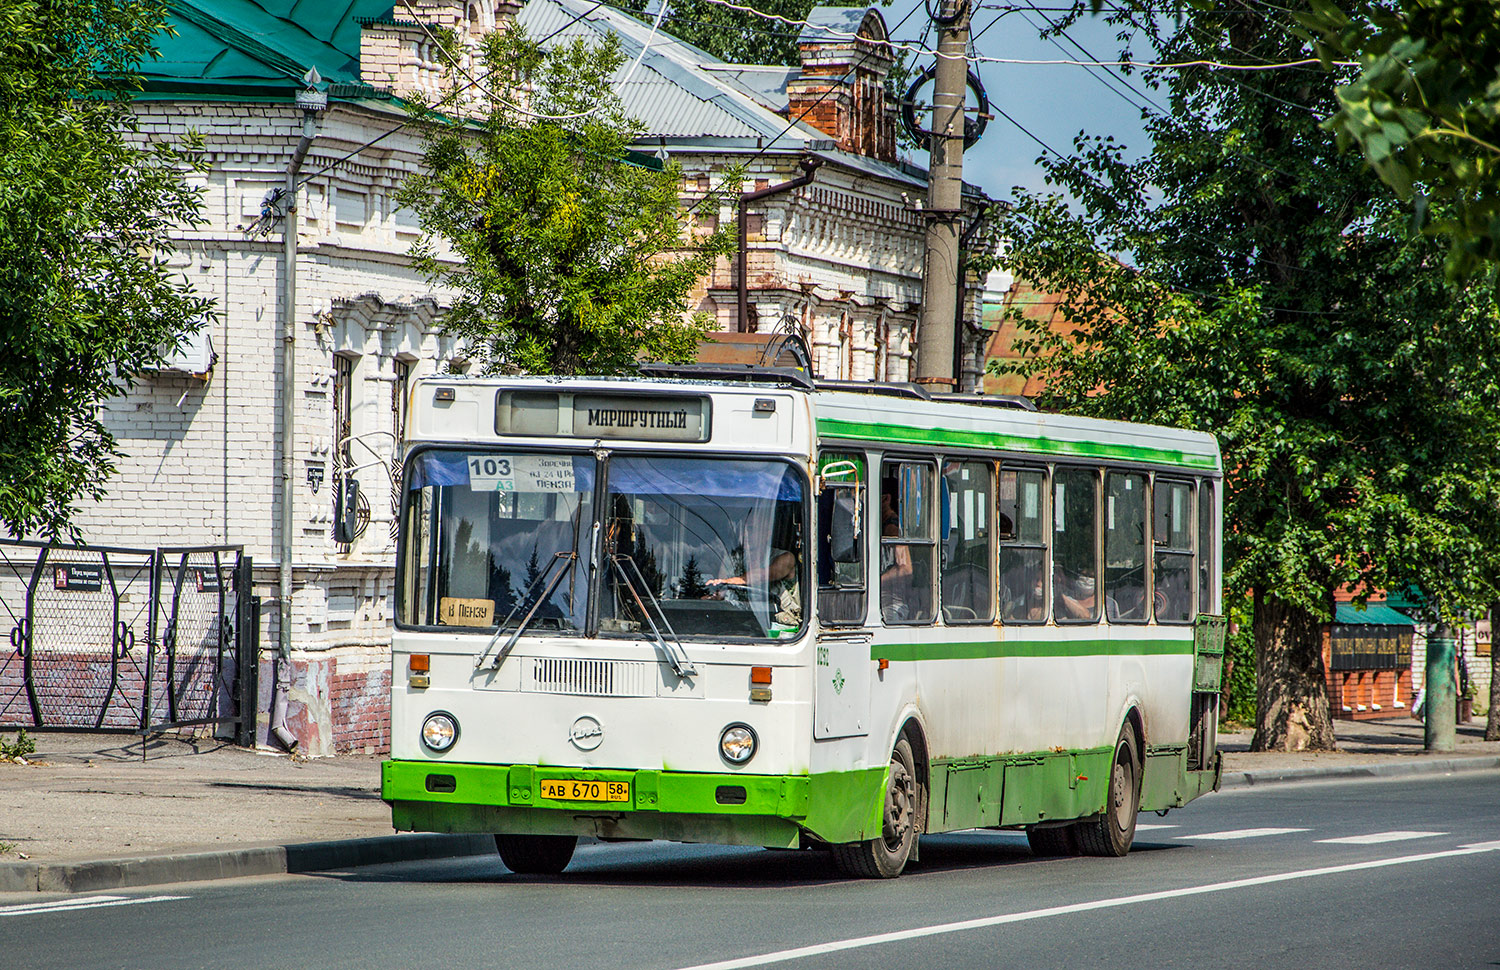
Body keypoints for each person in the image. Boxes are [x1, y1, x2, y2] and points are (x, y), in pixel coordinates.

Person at [879, 485, 914, 622]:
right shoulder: (884, 526)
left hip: (892, 606)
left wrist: (876, 582)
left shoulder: (892, 528)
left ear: (886, 499)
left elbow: (905, 568)